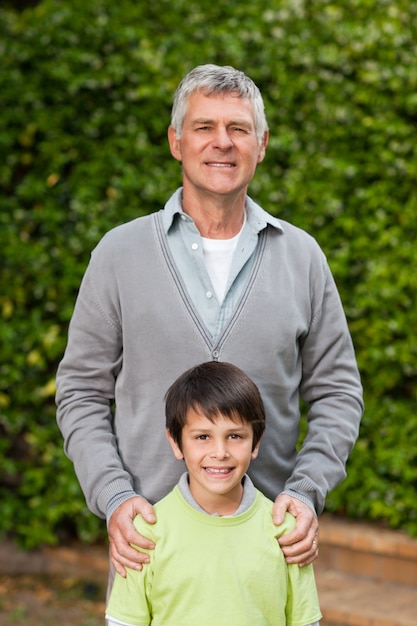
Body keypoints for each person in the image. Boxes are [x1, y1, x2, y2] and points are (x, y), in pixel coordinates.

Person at [56, 64, 363, 584]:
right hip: (149, 554)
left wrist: (306, 491)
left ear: (261, 145)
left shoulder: (303, 257)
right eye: (204, 127)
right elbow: (81, 391)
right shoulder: (119, 254)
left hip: (268, 558)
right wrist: (114, 497)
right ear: (176, 142)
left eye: (238, 129)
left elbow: (338, 393)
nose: (222, 143)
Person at [105, 361, 322, 626]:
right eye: (202, 437)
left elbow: (305, 622)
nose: (220, 452)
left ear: (256, 442)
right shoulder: (145, 532)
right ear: (176, 442)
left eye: (234, 436)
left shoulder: (286, 531)